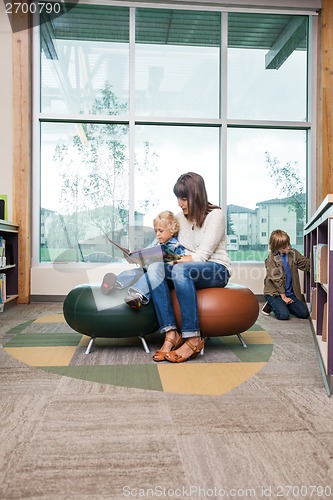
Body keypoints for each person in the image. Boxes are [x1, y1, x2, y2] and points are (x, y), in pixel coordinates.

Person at [145, 172, 232, 363]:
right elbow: (170, 244)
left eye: (183, 198)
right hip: (185, 267)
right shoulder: (179, 218)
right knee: (154, 269)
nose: (179, 203)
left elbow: (202, 256)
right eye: (178, 198)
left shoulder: (216, 215)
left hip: (216, 268)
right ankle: (170, 333)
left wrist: (176, 261)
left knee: (179, 269)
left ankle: (193, 337)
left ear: (196, 196)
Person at [100, 210, 185, 311]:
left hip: (163, 274)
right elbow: (147, 254)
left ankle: (137, 295)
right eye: (156, 231)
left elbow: (178, 263)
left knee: (147, 275)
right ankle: (114, 282)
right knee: (136, 272)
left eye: (161, 231)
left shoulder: (175, 245)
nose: (157, 234)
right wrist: (134, 257)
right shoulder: (157, 243)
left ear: (171, 230)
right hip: (150, 268)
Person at [262, 229, 310, 320]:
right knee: (283, 315)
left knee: (304, 313)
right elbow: (276, 279)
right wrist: (283, 297)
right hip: (275, 293)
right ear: (276, 248)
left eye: (289, 244)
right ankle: (271, 304)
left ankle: (282, 304)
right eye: (284, 247)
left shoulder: (293, 253)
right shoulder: (271, 258)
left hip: (290, 293)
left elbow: (305, 264)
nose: (288, 248)